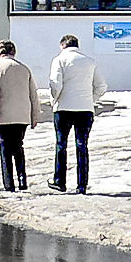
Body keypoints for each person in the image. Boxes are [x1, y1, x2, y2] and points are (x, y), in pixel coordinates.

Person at [47, 33, 106, 193]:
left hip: (64, 108)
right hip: (85, 109)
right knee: (82, 146)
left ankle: (59, 181)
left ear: (62, 45)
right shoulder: (90, 61)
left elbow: (56, 85)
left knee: (61, 145)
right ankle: (82, 185)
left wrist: (54, 100)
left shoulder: (59, 60)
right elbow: (101, 86)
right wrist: (90, 99)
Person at [0, 40, 42, 192]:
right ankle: (22, 180)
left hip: (4, 115)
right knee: (18, 147)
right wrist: (34, 116)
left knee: (5, 150)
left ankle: (9, 184)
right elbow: (33, 95)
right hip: (22, 115)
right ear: (13, 52)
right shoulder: (24, 69)